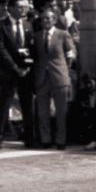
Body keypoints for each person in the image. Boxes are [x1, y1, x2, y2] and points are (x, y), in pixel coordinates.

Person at [0, 0, 35, 149]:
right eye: (20, 7)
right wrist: (15, 67)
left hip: (25, 71)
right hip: (8, 71)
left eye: (25, 7)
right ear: (10, 8)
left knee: (27, 105)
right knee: (3, 105)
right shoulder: (0, 26)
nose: (23, 10)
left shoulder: (28, 25)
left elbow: (31, 48)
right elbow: (0, 49)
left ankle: (30, 137)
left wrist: (27, 67)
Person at [33, 8, 75, 150]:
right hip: (42, 77)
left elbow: (71, 54)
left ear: (54, 20)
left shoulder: (63, 34)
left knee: (61, 111)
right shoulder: (37, 36)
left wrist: (65, 71)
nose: (45, 21)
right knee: (42, 111)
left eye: (48, 18)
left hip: (59, 76)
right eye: (43, 18)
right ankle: (46, 139)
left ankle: (61, 139)